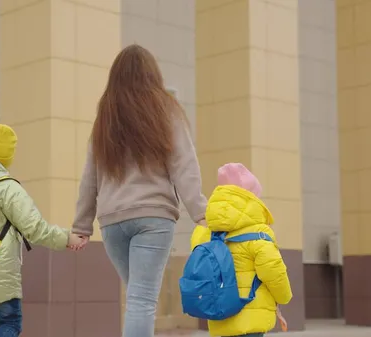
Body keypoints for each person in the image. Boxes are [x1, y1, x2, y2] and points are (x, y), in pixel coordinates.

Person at [70, 44, 208, 337]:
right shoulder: (165, 109)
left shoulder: (105, 119)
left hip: (112, 223)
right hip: (153, 217)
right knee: (141, 299)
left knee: (136, 297)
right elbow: (184, 163)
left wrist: (82, 225)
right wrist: (200, 212)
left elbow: (89, 177)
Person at [0, 123, 82, 337]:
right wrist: (67, 238)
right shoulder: (6, 187)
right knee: (10, 323)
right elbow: (35, 229)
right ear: (7, 156)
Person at [190, 163, 293, 337]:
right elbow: (273, 270)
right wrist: (284, 297)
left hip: (220, 315)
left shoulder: (207, 230)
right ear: (251, 199)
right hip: (251, 317)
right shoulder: (258, 232)